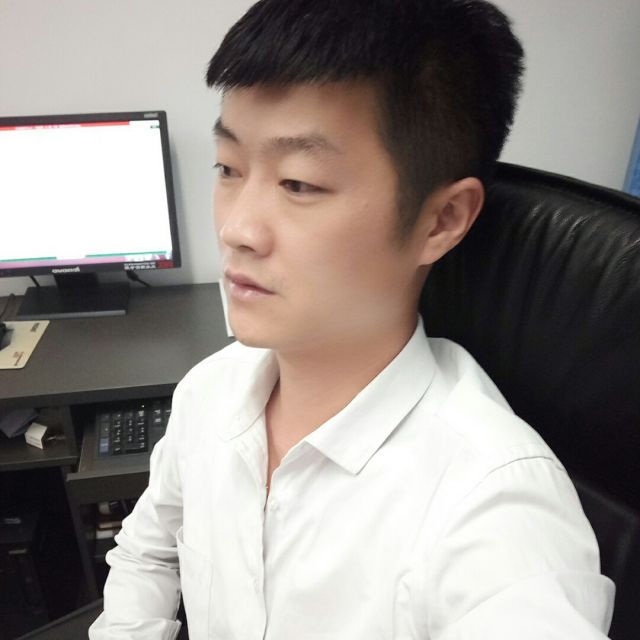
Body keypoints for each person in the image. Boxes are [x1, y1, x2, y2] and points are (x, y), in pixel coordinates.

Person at [89, 0, 615, 638]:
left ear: (441, 221)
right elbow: (146, 552)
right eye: (228, 168)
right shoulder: (211, 390)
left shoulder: (494, 514)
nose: (236, 229)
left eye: (299, 183)